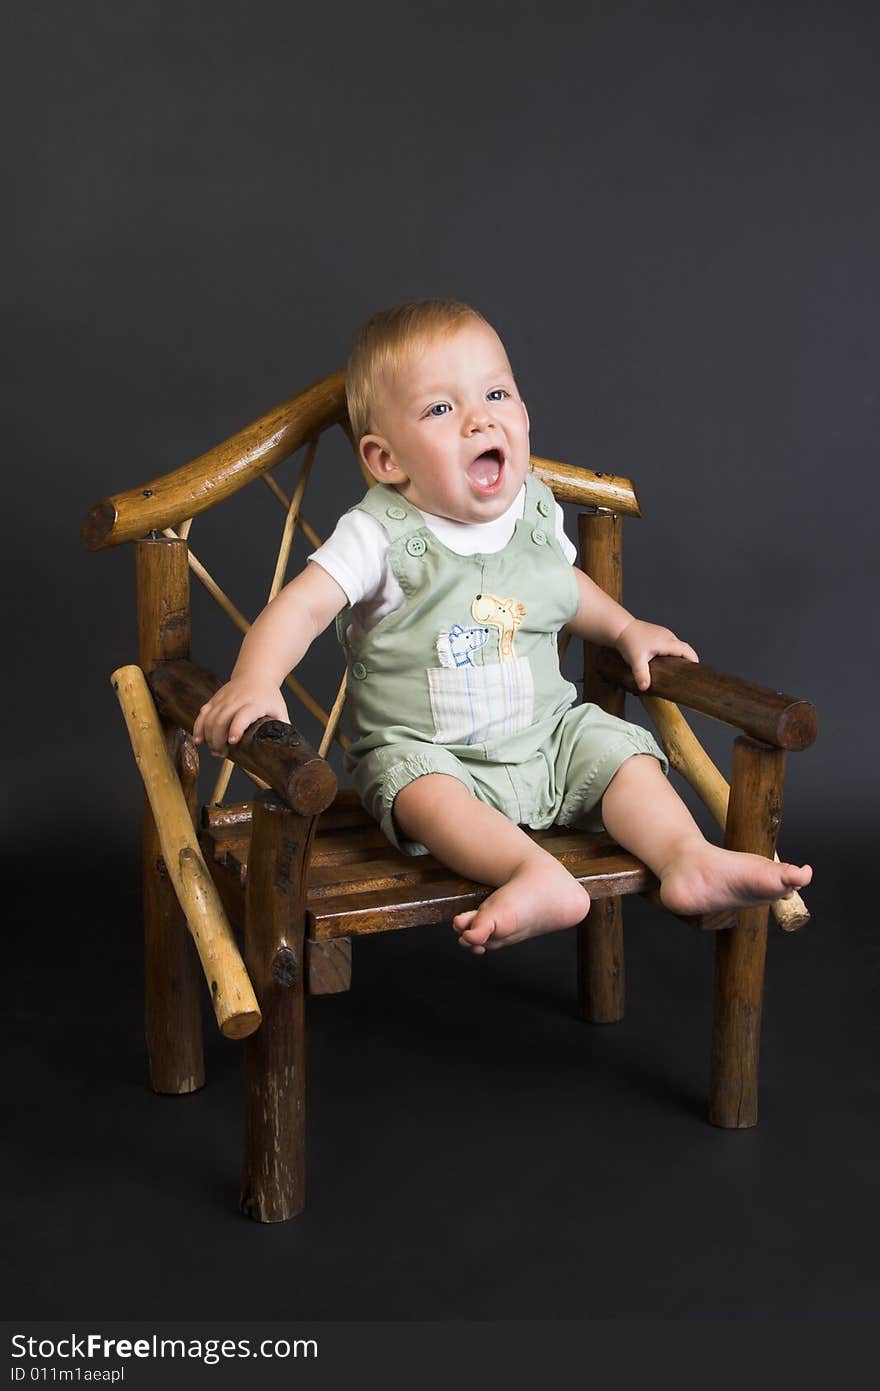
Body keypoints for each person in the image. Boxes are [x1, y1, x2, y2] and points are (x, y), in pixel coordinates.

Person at [193, 299, 812, 954]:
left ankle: (687, 857)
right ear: (384, 459)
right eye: (441, 408)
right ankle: (531, 872)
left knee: (619, 751)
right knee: (419, 787)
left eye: (496, 392)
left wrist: (626, 627)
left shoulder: (533, 510)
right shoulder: (377, 532)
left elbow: (564, 586)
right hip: (432, 756)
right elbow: (302, 607)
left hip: (545, 738)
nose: (479, 417)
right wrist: (256, 678)